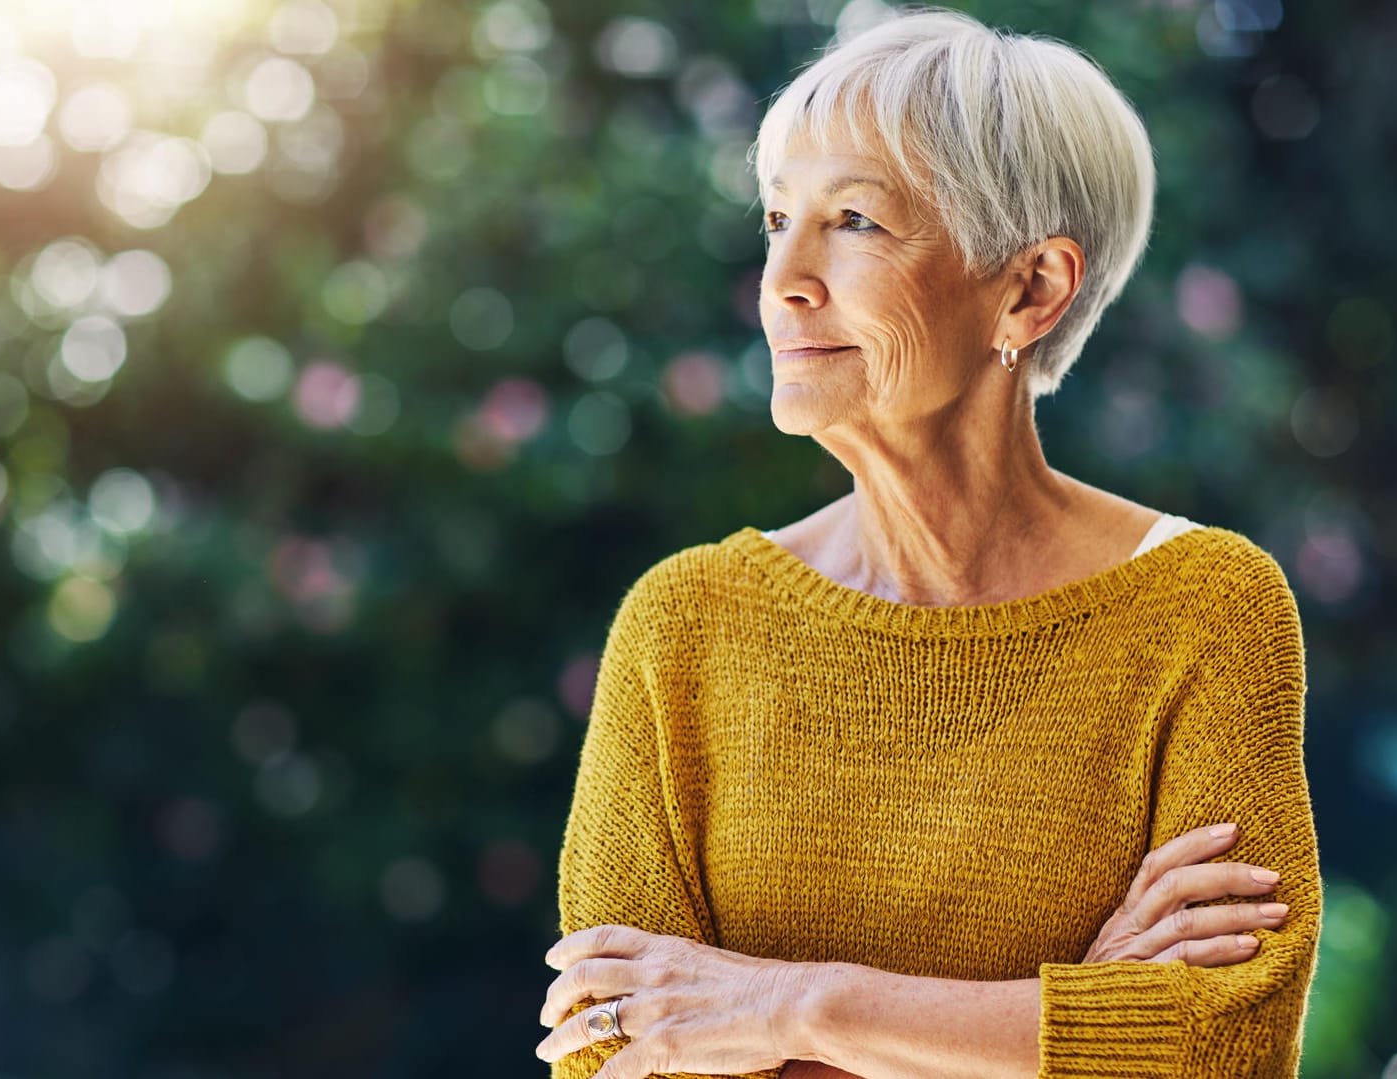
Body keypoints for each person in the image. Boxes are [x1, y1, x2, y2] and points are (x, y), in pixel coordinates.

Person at [533, 7, 1319, 1078]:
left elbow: (1220, 1047)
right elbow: (613, 1049)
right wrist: (1068, 1020)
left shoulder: (1206, 607)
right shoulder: (684, 627)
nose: (783, 281)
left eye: (853, 220)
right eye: (775, 220)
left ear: (1031, 288)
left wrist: (794, 1005)